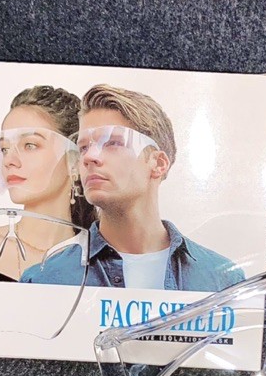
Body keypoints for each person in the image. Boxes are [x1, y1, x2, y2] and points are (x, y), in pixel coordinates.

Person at [21, 84, 245, 290]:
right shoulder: (44, 281)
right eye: (83, 148)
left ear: (158, 163)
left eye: (113, 143)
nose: (89, 157)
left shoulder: (222, 281)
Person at [0, 86, 94, 281]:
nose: (9, 160)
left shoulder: (100, 264)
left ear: (75, 160)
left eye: (30, 145)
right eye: (4, 149)